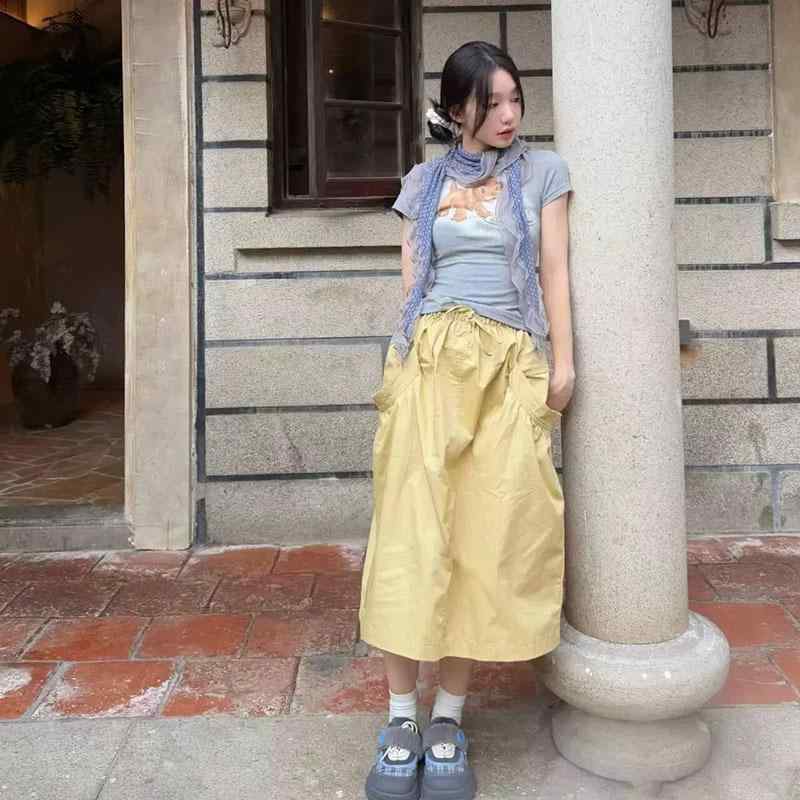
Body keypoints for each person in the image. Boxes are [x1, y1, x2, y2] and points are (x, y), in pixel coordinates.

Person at [359, 40, 575, 800]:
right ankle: (400, 717)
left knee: (484, 535)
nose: (509, 115)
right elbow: (413, 276)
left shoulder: (543, 173)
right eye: (492, 103)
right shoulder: (423, 182)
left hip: (509, 364)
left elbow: (554, 270)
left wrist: (563, 364)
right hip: (430, 362)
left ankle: (448, 715)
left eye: (516, 100)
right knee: (412, 533)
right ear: (457, 111)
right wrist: (407, 360)